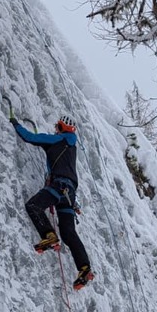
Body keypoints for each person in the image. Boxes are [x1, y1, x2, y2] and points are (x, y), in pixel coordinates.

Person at [10, 111, 95, 291]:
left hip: (59, 187)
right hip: (69, 195)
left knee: (33, 206)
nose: (56, 129)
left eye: (58, 126)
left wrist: (15, 124)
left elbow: (30, 137)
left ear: (62, 127)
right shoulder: (71, 147)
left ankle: (48, 235)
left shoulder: (59, 139)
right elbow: (57, 158)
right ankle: (84, 268)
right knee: (68, 233)